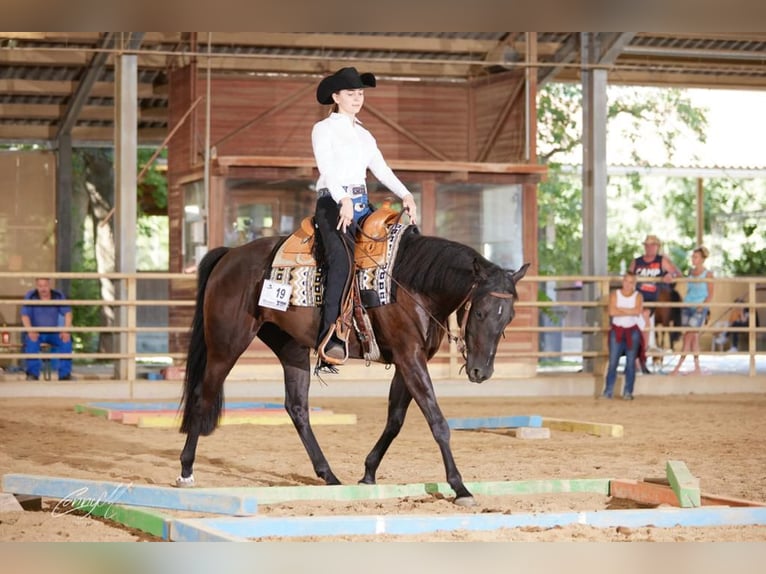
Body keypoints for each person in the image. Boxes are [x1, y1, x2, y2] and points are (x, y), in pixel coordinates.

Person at [311, 66, 418, 366]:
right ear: (336, 96)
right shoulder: (324, 129)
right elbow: (326, 169)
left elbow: (381, 170)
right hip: (332, 203)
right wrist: (342, 198)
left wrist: (405, 194)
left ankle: (385, 328)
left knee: (393, 253)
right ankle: (329, 336)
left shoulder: (365, 134)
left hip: (361, 203)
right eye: (351, 93)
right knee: (342, 262)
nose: (357, 98)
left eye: (360, 93)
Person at [628, 234, 681, 372]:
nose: (649, 248)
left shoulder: (661, 260)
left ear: (657, 247)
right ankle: (636, 360)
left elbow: (677, 273)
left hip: (652, 300)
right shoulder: (637, 262)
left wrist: (671, 275)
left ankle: (641, 360)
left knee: (645, 328)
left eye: (652, 245)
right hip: (637, 299)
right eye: (647, 245)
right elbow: (628, 277)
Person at [602, 271, 646, 400]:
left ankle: (628, 391)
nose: (628, 284)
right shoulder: (614, 294)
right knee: (613, 361)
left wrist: (620, 310)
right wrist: (630, 311)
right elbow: (611, 311)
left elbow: (638, 311)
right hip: (617, 330)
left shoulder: (638, 296)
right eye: (626, 281)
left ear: (634, 283)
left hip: (632, 331)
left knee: (631, 362)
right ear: (623, 281)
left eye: (631, 282)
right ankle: (608, 391)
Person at [20, 278, 74, 381]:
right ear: (36, 286)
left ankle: (64, 374)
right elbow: (25, 316)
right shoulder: (31, 296)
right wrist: (30, 330)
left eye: (45, 286)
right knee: (31, 341)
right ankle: (32, 374)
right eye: (40, 286)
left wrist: (66, 330)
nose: (43, 289)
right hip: (37, 332)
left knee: (66, 340)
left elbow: (68, 313)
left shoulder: (58, 295)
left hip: (53, 332)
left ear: (50, 285)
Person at [671, 246, 714, 375]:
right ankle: (697, 367)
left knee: (688, 336)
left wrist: (703, 305)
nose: (693, 259)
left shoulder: (708, 274)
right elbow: (689, 289)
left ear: (702, 259)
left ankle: (677, 367)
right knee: (693, 337)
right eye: (693, 256)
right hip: (687, 306)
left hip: (699, 308)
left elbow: (710, 294)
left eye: (695, 257)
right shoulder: (690, 272)